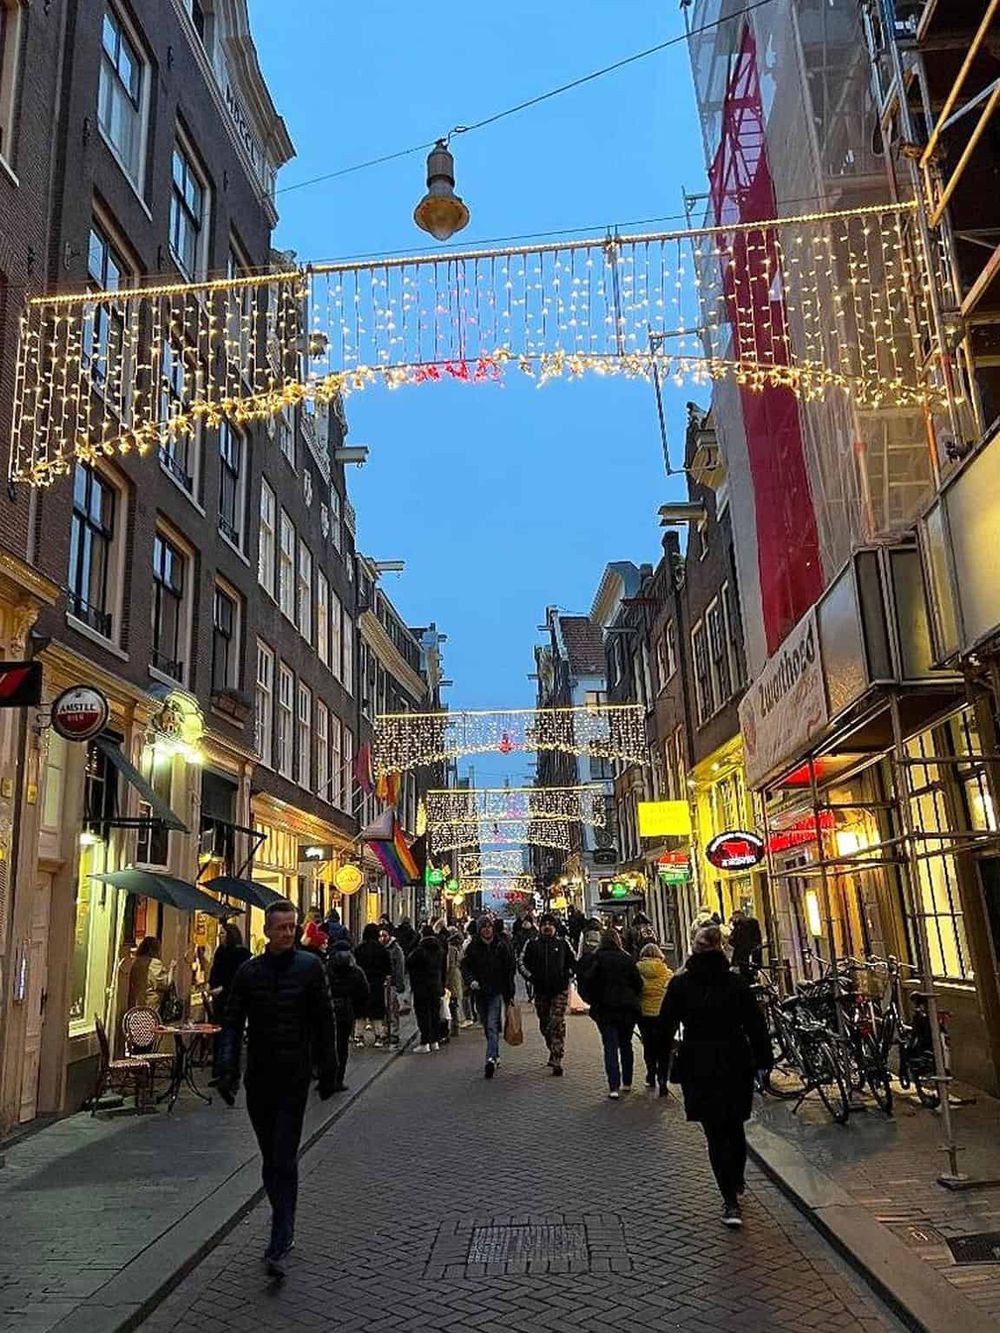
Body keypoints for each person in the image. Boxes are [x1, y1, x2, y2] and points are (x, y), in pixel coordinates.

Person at [216, 900, 337, 1276]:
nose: (287, 933)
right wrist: (226, 1069)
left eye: (291, 927)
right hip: (260, 1078)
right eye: (280, 927)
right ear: (267, 931)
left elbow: (325, 1021)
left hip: (294, 1077)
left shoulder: (310, 968)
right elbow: (232, 1022)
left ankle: (280, 1236)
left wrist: (328, 1070)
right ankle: (282, 1221)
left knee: (284, 1155)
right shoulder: (249, 973)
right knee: (270, 1158)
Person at [659, 925, 772, 1228]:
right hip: (736, 1060)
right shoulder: (736, 983)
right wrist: (764, 1060)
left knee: (714, 1132)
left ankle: (730, 1200)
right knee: (734, 1126)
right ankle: (737, 1179)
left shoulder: (680, 985)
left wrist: (664, 1059)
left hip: (698, 1063)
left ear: (694, 949)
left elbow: (665, 1025)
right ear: (721, 948)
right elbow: (755, 1025)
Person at [577, 930, 643, 1099]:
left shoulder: (596, 960)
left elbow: (587, 983)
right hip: (626, 1009)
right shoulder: (627, 959)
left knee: (610, 1046)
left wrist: (592, 1001)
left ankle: (613, 1086)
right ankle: (627, 1082)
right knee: (626, 1044)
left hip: (605, 1009)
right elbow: (638, 983)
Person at [520, 913, 575, 1075]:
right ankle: (552, 1048)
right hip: (541, 991)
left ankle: (557, 1057)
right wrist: (531, 977)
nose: (547, 927)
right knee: (545, 1024)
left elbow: (573, 962)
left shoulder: (563, 943)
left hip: (559, 990)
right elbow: (521, 962)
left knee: (556, 1022)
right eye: (545, 924)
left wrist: (568, 974)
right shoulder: (532, 944)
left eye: (550, 924)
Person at [461, 916, 515, 1079]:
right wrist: (471, 981)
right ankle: (495, 1054)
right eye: (483, 927)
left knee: (492, 1024)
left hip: (496, 991)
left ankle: (490, 1059)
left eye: (489, 926)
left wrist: (509, 992)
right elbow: (466, 967)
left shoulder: (500, 946)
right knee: (486, 1024)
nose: (486, 929)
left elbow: (509, 968)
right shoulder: (473, 947)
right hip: (480, 992)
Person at [207, 923, 251, 1081]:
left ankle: (229, 1072)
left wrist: (223, 988)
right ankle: (220, 1071)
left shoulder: (241, 954)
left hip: (233, 1001)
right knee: (219, 1035)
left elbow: (239, 978)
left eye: (223, 933)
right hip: (219, 1000)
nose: (220, 936)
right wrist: (212, 986)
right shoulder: (220, 951)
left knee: (231, 1036)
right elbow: (214, 971)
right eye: (219, 933)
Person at [325, 939, 370, 1091]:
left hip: (327, 1011)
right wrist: (356, 1007)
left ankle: (325, 1079)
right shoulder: (355, 971)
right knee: (342, 1047)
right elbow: (364, 991)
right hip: (346, 1011)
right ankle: (338, 1080)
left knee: (326, 1045)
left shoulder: (326, 969)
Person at [637, 943, 672, 1094]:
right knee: (664, 1048)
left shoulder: (637, 971)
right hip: (663, 1015)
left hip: (644, 1014)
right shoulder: (667, 973)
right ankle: (663, 1079)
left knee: (648, 1046)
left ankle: (651, 1074)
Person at [406, 927, 445, 1052]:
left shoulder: (419, 951)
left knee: (423, 1014)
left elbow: (408, 962)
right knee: (434, 1014)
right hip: (436, 986)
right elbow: (443, 969)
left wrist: (415, 940)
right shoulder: (439, 950)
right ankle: (435, 1041)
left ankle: (425, 1042)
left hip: (421, 987)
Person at [353, 924, 392, 1047]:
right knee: (377, 1011)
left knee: (360, 1011)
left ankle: (358, 1036)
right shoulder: (382, 949)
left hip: (361, 983)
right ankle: (379, 1036)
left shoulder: (358, 949)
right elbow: (388, 967)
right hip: (377, 983)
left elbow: (354, 966)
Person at [127, 937, 175, 1012]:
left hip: (136, 1002)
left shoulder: (136, 962)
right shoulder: (155, 963)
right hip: (151, 1004)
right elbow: (166, 984)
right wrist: (172, 968)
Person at [379, 925, 407, 1044]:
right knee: (384, 1009)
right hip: (382, 983)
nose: (382, 938)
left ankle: (394, 1032)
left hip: (393, 983)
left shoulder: (396, 949)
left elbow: (400, 967)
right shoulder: (379, 948)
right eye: (380, 936)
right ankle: (385, 1031)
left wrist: (399, 984)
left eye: (384, 935)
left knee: (392, 1009)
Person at [729, 909, 764, 976]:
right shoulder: (754, 921)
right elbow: (758, 937)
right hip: (754, 953)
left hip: (742, 956)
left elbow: (732, 941)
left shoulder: (739, 924)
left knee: (743, 974)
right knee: (753, 972)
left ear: (737, 916)